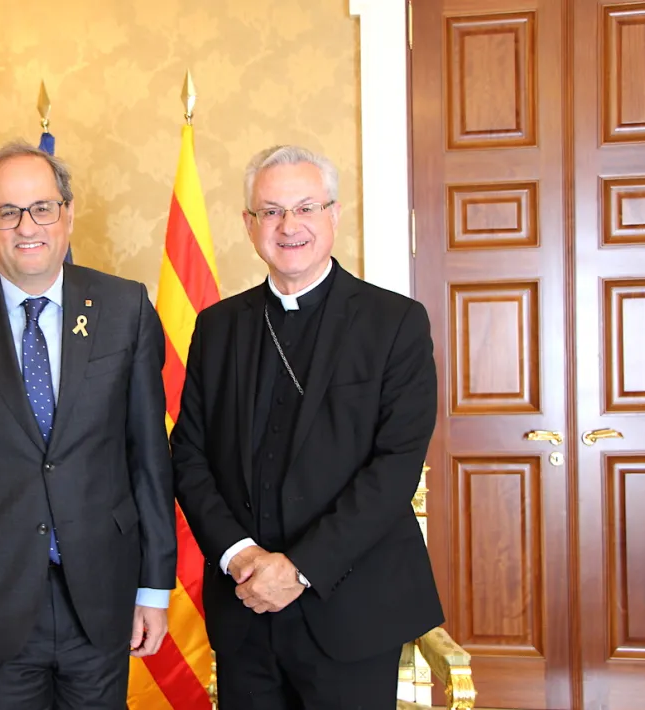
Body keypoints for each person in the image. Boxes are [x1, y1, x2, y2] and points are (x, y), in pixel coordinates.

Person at [0, 142, 176, 710]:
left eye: (42, 207)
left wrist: (153, 586)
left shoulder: (126, 308)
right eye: (7, 212)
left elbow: (149, 459)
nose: (27, 227)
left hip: (101, 597)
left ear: (67, 213)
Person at [170, 145, 443, 709]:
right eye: (270, 211)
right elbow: (189, 456)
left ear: (334, 215)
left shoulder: (395, 323)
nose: (288, 226)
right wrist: (240, 556)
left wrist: (298, 570)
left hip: (353, 607)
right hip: (245, 607)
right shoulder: (217, 327)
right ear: (249, 225)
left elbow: (393, 470)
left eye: (305, 208)